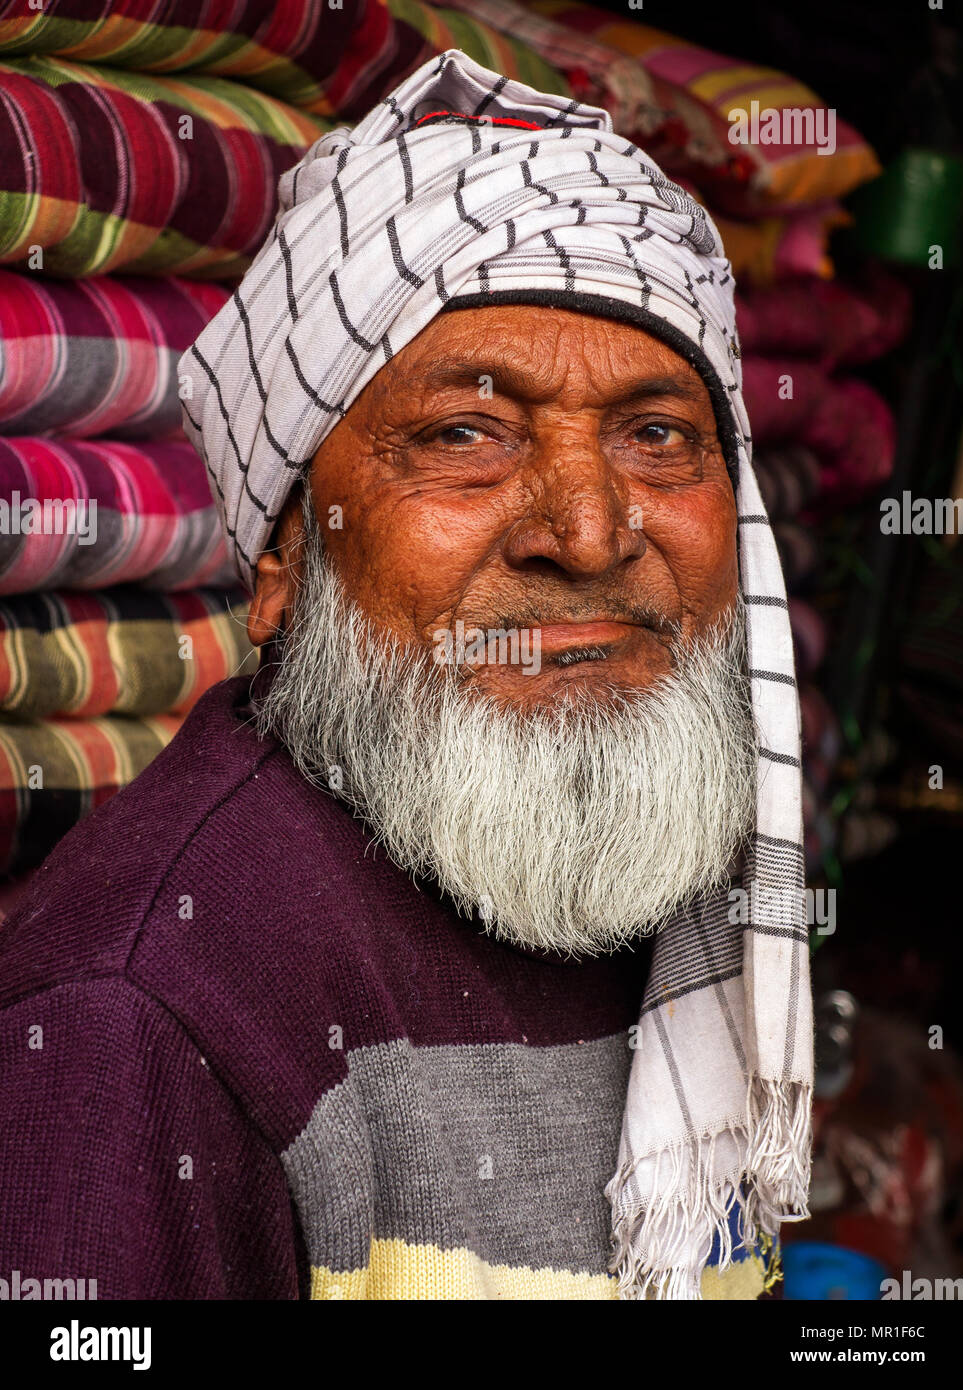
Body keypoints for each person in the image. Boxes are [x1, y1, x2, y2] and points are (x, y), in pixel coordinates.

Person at [0, 49, 811, 1301]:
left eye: (658, 435)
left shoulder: (674, 867)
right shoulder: (140, 1020)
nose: (589, 533)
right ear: (279, 557)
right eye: (466, 437)